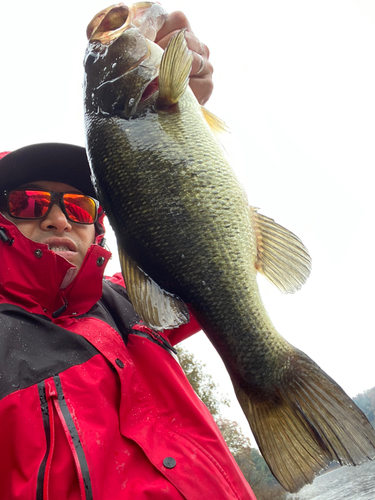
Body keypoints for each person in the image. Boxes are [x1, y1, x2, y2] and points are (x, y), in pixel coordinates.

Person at [0, 10, 257, 500]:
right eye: (27, 203)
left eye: (77, 205)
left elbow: (206, 254)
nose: (57, 219)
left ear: (97, 225)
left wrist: (180, 117)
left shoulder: (131, 304)